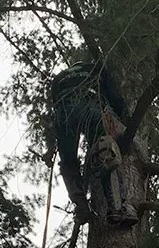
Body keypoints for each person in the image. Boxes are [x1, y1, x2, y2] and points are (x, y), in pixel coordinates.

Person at [48, 60, 139, 226]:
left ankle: (81, 206)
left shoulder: (58, 78)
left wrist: (51, 146)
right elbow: (113, 95)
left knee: (68, 163)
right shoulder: (95, 68)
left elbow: (53, 109)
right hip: (89, 106)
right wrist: (124, 118)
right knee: (105, 152)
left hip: (63, 112)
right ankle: (118, 208)